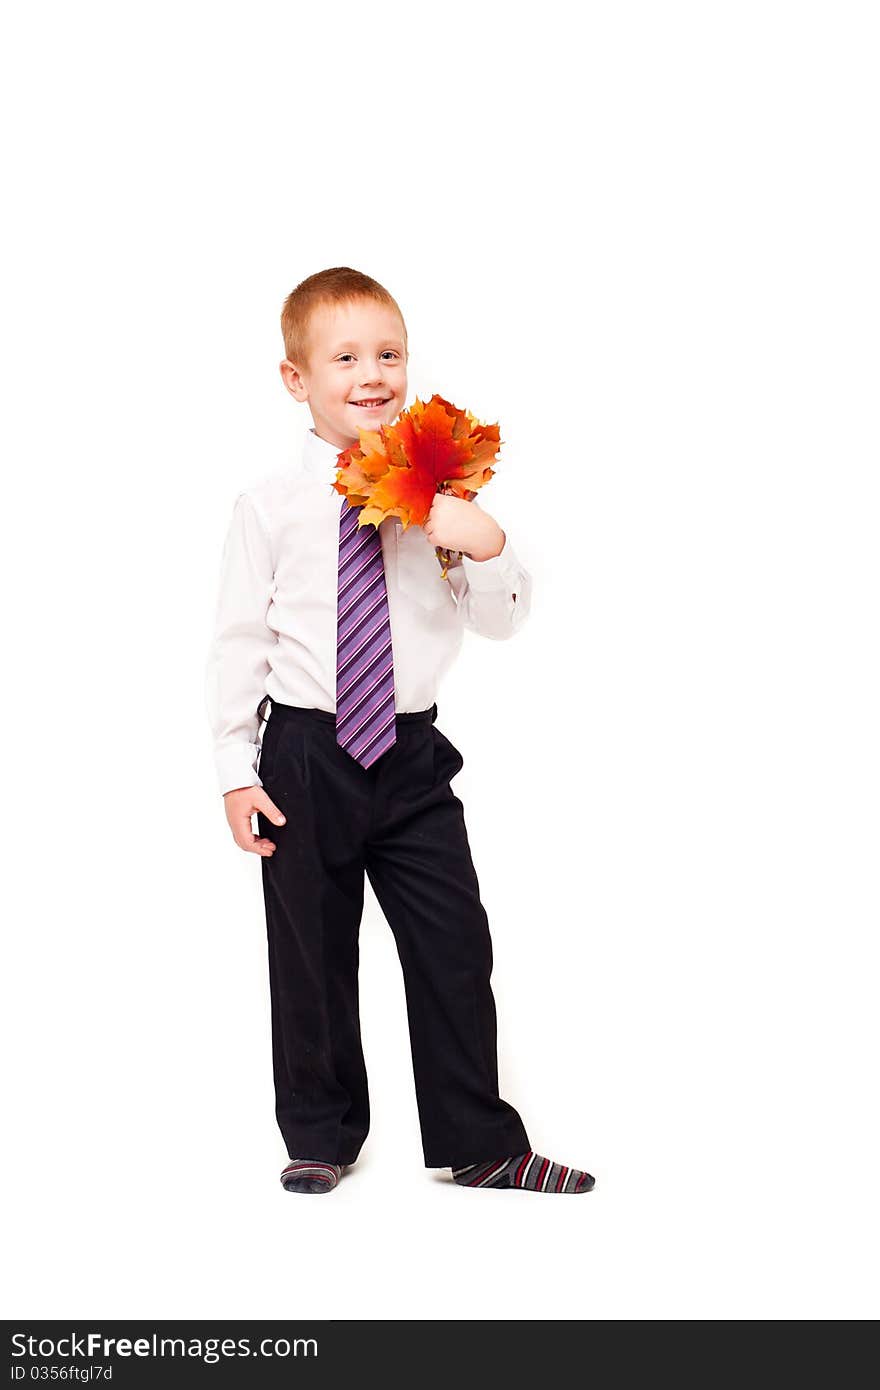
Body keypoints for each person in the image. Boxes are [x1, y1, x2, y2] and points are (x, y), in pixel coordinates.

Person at [205, 266, 595, 1196]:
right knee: (310, 951)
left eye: (389, 353)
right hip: (304, 753)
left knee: (455, 942)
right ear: (298, 379)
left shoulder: (440, 493)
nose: (372, 373)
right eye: (344, 357)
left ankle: (481, 1141)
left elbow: (499, 621)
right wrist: (233, 768)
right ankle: (321, 1134)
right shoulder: (268, 507)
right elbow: (237, 641)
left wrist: (483, 541)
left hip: (411, 755)